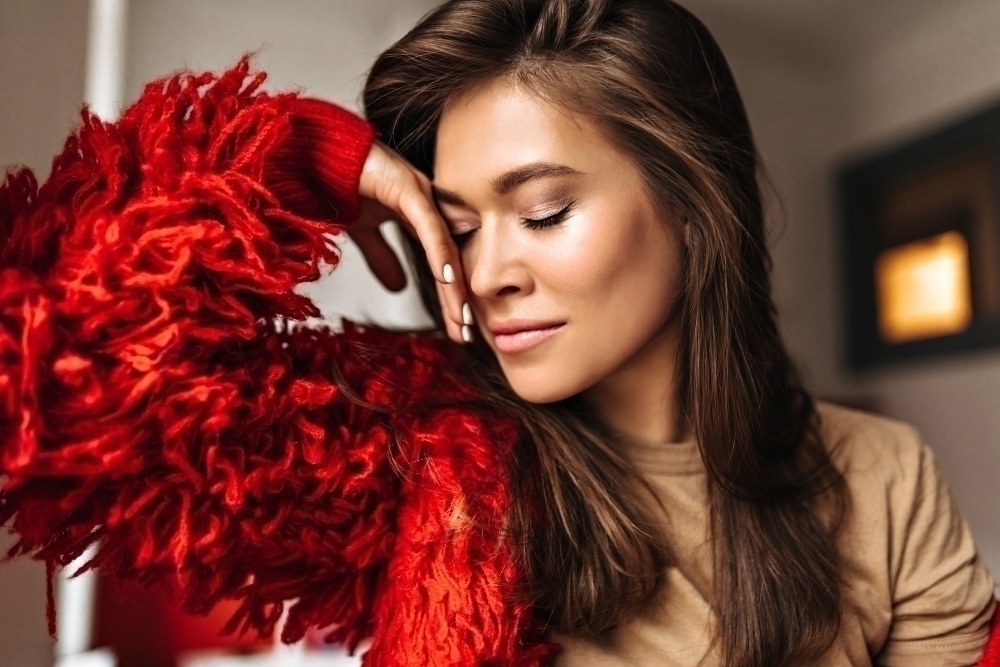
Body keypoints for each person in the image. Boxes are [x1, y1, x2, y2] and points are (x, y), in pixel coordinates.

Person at [0, 1, 997, 666]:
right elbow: (55, 373)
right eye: (461, 227)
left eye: (546, 211)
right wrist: (292, 161)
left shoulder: (884, 476)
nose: (487, 272)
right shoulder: (420, 446)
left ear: (696, 209)